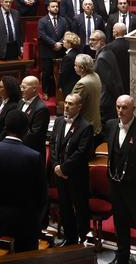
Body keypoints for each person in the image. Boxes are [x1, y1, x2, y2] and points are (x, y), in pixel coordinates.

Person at [0, 111, 47, 252]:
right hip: (25, 224)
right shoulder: (34, 157)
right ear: (26, 130)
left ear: (6, 127)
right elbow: (41, 196)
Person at [99, 95, 136, 264]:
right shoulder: (110, 125)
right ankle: (122, 256)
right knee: (120, 222)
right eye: (118, 107)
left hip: (134, 188)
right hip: (115, 185)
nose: (120, 111)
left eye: (124, 108)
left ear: (133, 109)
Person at [50, 92, 94, 246]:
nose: (67, 106)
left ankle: (82, 240)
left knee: (80, 209)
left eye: (71, 104)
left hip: (76, 176)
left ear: (79, 107)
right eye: (66, 103)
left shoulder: (86, 126)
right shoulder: (59, 122)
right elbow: (54, 145)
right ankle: (70, 239)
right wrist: (56, 166)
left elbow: (81, 153)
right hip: (60, 175)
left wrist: (64, 168)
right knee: (65, 208)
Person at [70, 53, 103, 133]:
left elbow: (73, 106)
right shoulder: (95, 75)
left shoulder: (82, 83)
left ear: (82, 68)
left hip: (85, 125)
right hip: (95, 122)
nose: (74, 67)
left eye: (75, 65)